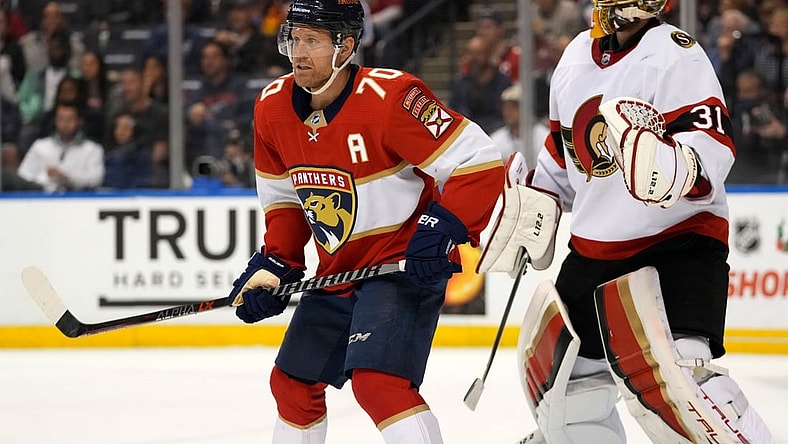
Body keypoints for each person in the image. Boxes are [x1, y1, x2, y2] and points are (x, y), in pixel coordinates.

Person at [497, 0, 778, 442]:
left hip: (676, 245)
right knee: (566, 400)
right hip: (592, 252)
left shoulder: (676, 53)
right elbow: (562, 152)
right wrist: (539, 201)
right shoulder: (573, 57)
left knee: (685, 390)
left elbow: (713, 144)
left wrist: (679, 168)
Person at [226, 1, 504, 443]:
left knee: (379, 386)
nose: (298, 51)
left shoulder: (391, 99)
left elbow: (479, 161)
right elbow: (283, 198)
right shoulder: (272, 107)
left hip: (401, 268)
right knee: (292, 384)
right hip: (337, 273)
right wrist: (278, 263)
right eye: (294, 38)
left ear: (346, 45)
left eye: (312, 41)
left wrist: (444, 228)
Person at [16, 102, 104, 192]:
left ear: (79, 121)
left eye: (69, 119)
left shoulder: (93, 149)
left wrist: (68, 178)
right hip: (42, 198)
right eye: (61, 119)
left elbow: (96, 179)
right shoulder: (40, 146)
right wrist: (44, 179)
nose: (65, 124)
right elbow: (23, 176)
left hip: (77, 199)